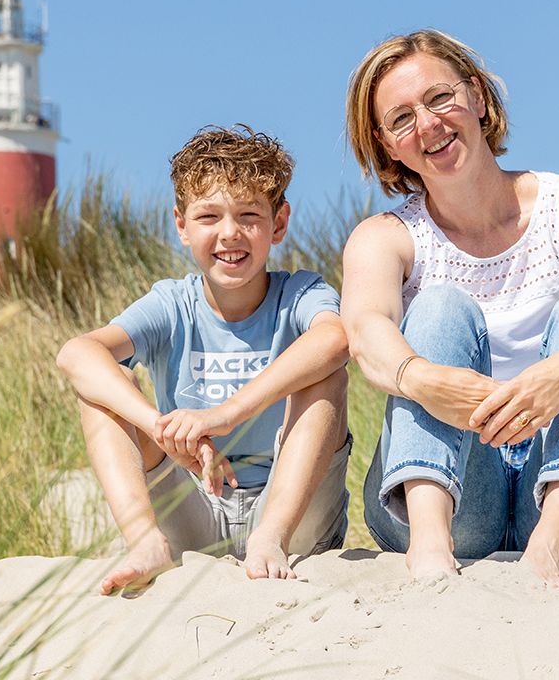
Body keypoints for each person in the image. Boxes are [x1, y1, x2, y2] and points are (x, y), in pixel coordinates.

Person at [340, 30, 559, 585]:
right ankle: (429, 549)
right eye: (401, 118)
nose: (428, 125)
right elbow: (364, 333)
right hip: (455, 498)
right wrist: (426, 380)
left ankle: (553, 542)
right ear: (385, 145)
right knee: (438, 308)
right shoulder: (387, 237)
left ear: (476, 96)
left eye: (439, 98)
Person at [56, 125, 351, 594]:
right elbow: (76, 353)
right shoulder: (172, 304)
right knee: (103, 389)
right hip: (195, 502)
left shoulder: (302, 294)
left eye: (249, 215)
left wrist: (224, 415)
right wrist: (164, 430)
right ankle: (145, 541)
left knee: (325, 377)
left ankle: (268, 538)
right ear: (182, 225)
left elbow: (335, 339)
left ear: (278, 223)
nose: (230, 233)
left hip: (291, 511)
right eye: (209, 216)